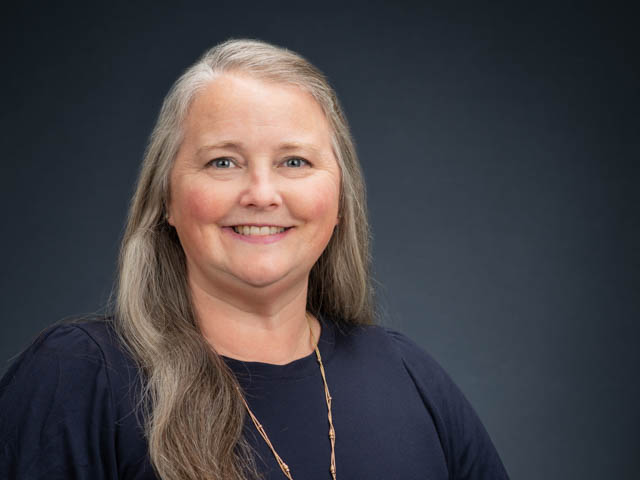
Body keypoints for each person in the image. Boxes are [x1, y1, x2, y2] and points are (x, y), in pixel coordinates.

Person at [0, 38, 509, 480]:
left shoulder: (407, 374)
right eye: (224, 161)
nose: (262, 194)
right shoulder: (79, 375)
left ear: (339, 204)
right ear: (167, 201)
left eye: (295, 161)